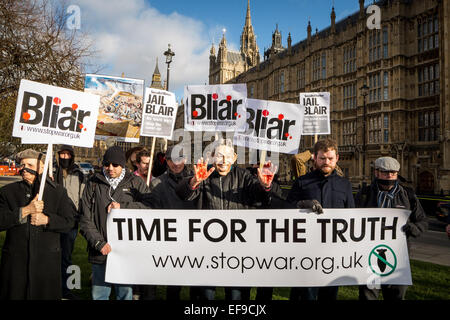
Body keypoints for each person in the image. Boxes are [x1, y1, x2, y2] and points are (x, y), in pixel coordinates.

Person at [176, 139, 276, 301]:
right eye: (220, 156)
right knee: (205, 293)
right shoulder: (203, 174)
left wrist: (265, 187)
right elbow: (183, 194)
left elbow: (261, 199)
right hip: (207, 246)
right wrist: (194, 181)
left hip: (237, 248)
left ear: (235, 158)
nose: (223, 161)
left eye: (228, 156)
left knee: (237, 294)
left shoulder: (244, 176)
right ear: (212, 157)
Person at [0, 149, 76, 300]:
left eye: (30, 164)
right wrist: (25, 211)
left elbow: (69, 222)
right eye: (22, 165)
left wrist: (47, 220)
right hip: (16, 263)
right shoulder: (7, 192)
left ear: (41, 168)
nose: (24, 168)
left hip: (46, 263)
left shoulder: (58, 192)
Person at [287, 138, 355, 301]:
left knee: (329, 295)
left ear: (337, 158)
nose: (326, 162)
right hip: (306, 252)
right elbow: (287, 209)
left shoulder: (344, 184)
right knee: (306, 295)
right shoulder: (302, 182)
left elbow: (352, 216)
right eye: (322, 158)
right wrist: (302, 204)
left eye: (330, 158)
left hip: (333, 253)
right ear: (315, 158)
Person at [80, 146, 149, 300]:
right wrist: (99, 243)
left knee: (125, 293)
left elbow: (150, 207)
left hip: (125, 251)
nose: (110, 168)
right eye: (107, 164)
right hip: (100, 251)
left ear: (123, 165)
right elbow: (85, 218)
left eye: (115, 165)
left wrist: (123, 207)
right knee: (99, 294)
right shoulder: (93, 183)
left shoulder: (135, 182)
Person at [356, 156, 428, 300]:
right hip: (370, 256)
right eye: (385, 172)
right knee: (368, 296)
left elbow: (422, 221)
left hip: (398, 257)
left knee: (396, 296)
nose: (389, 176)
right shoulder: (364, 194)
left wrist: (412, 228)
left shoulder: (408, 194)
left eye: (393, 173)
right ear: (376, 173)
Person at [143, 145, 195, 300]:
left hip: (191, 237)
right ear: (166, 161)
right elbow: (151, 210)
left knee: (196, 280)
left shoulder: (195, 180)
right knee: (172, 280)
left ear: (185, 159)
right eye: (172, 160)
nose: (176, 164)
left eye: (179, 159)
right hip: (168, 237)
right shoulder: (157, 183)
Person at [55, 144, 85, 300]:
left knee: (66, 256)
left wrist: (80, 217)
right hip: (53, 219)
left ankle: (66, 290)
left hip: (71, 221)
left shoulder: (78, 174)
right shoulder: (52, 171)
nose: (64, 157)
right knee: (51, 255)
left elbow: (82, 197)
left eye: (68, 155)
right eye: (62, 154)